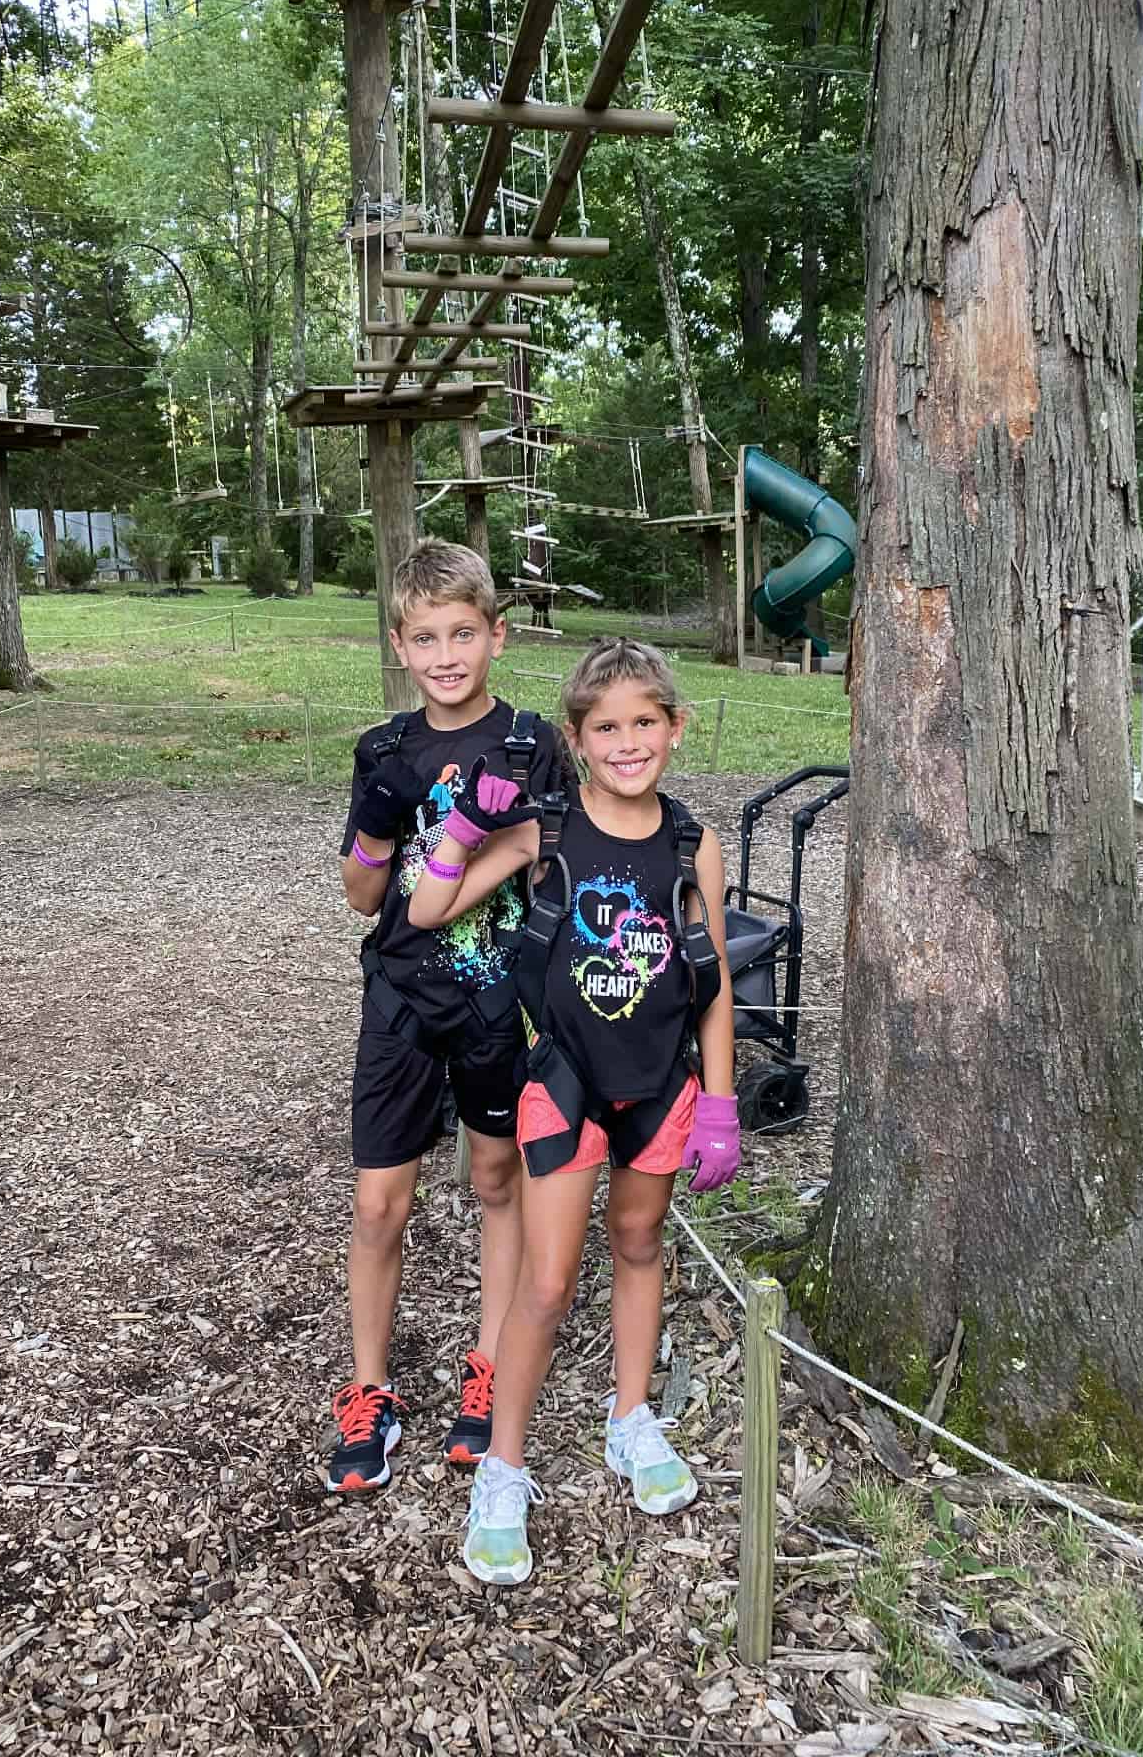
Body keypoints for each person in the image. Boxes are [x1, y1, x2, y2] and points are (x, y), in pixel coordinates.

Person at [411, 637, 740, 1583]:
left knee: (639, 1245)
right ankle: (503, 1471)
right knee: (547, 1284)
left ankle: (630, 1418)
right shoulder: (545, 834)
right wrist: (471, 825)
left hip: (661, 1086)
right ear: (578, 738)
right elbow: (431, 906)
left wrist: (719, 1105)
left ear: (674, 729)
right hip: (561, 1084)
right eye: (607, 728)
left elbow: (712, 981)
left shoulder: (692, 844)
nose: (628, 742)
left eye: (646, 723)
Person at [330, 539, 565, 1494]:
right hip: (399, 995)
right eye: (424, 638)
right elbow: (358, 894)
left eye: (462, 632)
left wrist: (495, 851)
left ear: (496, 636)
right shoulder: (385, 752)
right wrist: (381, 827)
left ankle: (489, 1365)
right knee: (378, 1201)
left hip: (499, 999)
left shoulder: (530, 742)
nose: (445, 654)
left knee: (496, 1181)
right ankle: (370, 1389)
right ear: (400, 643)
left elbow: (548, 857)